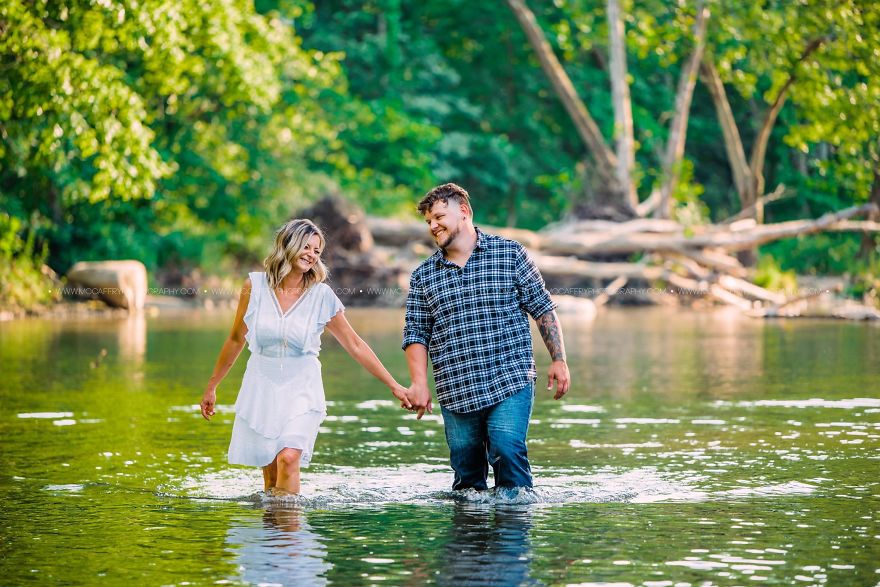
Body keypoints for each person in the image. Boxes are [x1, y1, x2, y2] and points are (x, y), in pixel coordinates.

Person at [200, 218, 411, 495]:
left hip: (302, 390)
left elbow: (355, 344)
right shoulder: (254, 286)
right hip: (261, 387)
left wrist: (394, 385)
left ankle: (290, 522)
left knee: (288, 458)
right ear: (287, 244)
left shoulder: (321, 296)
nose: (312, 255)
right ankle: (275, 521)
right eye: (306, 247)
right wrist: (212, 386)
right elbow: (236, 339)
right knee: (271, 476)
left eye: (317, 250)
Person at [402, 183, 571, 491]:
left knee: (507, 450)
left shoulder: (510, 254)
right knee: (467, 478)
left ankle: (515, 518)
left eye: (439, 217)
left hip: (510, 379)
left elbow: (542, 307)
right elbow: (416, 332)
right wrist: (419, 383)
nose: (433, 226)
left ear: (464, 211)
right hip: (456, 388)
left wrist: (559, 359)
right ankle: (471, 522)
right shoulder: (423, 276)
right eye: (428, 221)